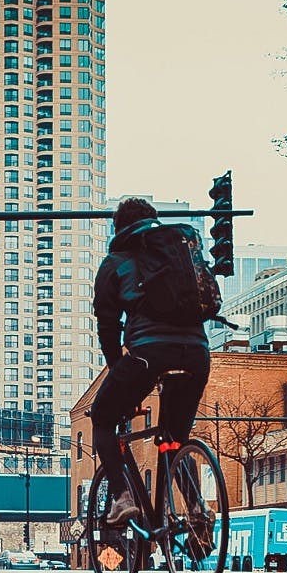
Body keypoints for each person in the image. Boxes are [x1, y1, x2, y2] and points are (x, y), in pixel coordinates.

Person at [91, 198, 212, 526]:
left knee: (102, 418)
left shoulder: (115, 262)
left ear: (118, 228)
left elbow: (107, 325)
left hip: (147, 354)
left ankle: (123, 497)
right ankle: (198, 507)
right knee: (175, 437)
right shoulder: (182, 254)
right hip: (198, 354)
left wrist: (118, 371)